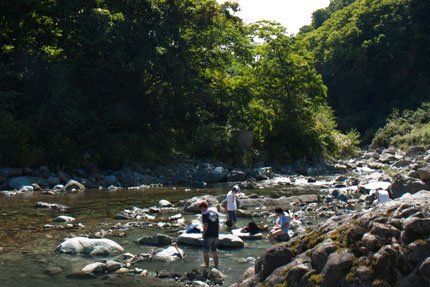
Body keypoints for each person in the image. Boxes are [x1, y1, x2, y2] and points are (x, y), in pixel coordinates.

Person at [199, 201, 219, 268]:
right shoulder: (215, 213)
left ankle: (206, 265)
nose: (201, 210)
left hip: (208, 234)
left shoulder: (205, 214)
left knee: (205, 251)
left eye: (200, 209)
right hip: (215, 234)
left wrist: (203, 233)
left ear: (202, 207)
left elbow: (206, 225)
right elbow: (218, 224)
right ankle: (216, 265)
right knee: (214, 250)